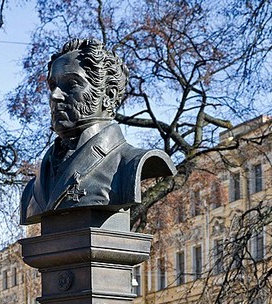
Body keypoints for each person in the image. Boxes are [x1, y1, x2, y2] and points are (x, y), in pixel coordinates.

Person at [21, 38, 176, 225]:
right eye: (53, 85)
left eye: (71, 84)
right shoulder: (33, 189)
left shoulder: (128, 165)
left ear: (108, 95)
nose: (55, 96)